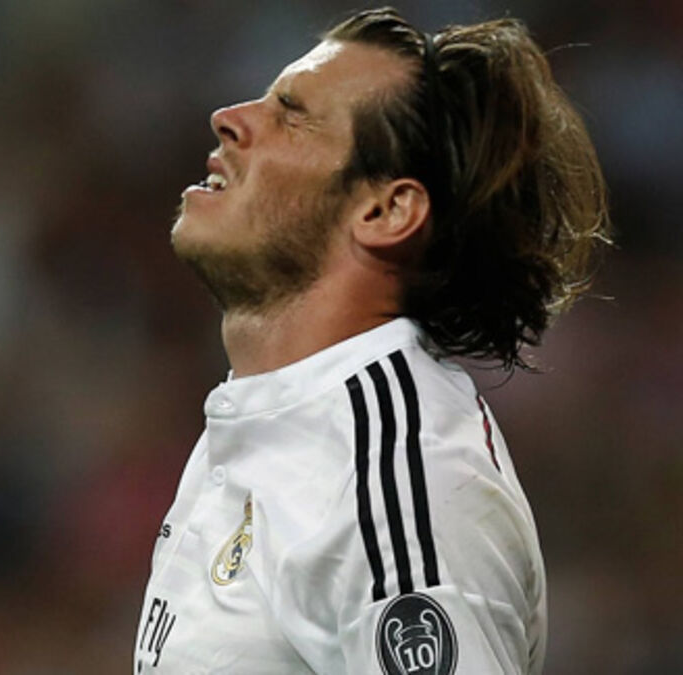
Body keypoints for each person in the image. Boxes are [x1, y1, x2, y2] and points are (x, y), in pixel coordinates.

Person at [133, 7, 610, 674]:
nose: (229, 118)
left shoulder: (403, 483)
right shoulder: (265, 418)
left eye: (292, 115)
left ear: (386, 211)